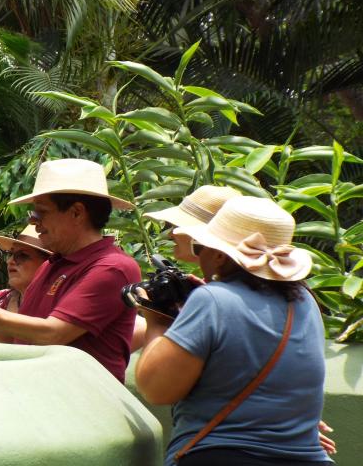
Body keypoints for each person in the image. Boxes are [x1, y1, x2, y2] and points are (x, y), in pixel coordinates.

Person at [135, 196, 332, 465]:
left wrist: (157, 321)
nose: (199, 254)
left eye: (201, 247)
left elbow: (156, 389)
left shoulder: (213, 300)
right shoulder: (304, 300)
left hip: (222, 454)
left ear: (218, 255)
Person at [0, 158, 141, 382]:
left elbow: (53, 333)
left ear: (76, 213)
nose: (34, 223)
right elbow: (12, 337)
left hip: (81, 406)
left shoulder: (112, 267)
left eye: (41, 213)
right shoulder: (52, 265)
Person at [131, 185, 243, 350]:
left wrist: (156, 319)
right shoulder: (229, 286)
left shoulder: (217, 298)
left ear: (200, 239)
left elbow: (157, 375)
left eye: (177, 227)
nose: (170, 234)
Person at [0, 224, 51, 342]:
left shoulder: (53, 305)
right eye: (10, 254)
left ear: (47, 263)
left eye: (22, 256)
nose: (10, 261)